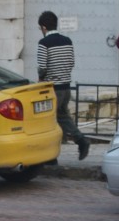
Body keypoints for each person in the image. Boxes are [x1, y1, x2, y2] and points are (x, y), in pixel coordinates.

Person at [37, 10, 90, 160]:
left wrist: (41, 79)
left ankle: (50, 157)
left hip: (52, 88)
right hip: (66, 87)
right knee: (63, 117)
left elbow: (42, 67)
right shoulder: (67, 41)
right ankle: (81, 141)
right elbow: (71, 63)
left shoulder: (44, 43)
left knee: (46, 122)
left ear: (44, 27)